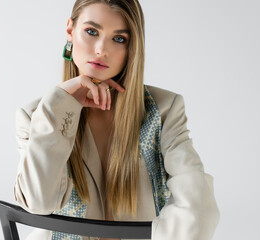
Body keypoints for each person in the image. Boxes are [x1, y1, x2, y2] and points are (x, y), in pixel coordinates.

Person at [13, 0, 220, 240]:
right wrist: (58, 104)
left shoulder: (163, 110)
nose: (102, 49)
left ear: (132, 47)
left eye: (119, 38)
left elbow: (198, 206)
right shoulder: (38, 115)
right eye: (92, 32)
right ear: (70, 31)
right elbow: (39, 203)